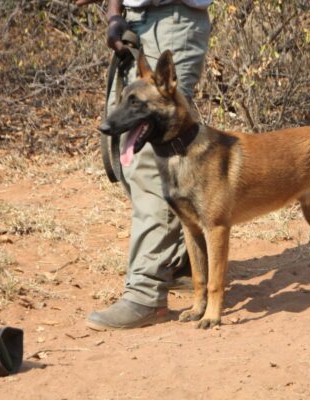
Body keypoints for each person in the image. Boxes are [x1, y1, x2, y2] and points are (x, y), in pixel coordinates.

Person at [74, 0, 212, 329]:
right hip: (136, 18)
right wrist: (115, 14)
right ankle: (179, 264)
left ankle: (146, 294)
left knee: (153, 161)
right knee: (125, 147)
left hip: (174, 17)